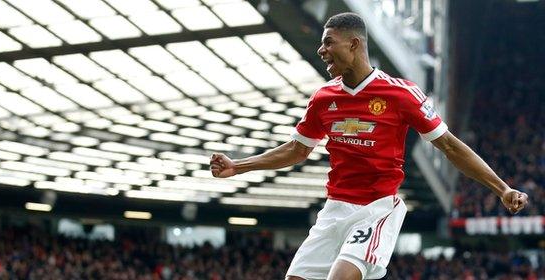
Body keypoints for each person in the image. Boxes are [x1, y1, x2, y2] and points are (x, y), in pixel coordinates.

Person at [209, 12, 529, 280]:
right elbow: (296, 149)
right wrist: (239, 165)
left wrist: (501, 189)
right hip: (334, 210)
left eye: (327, 42)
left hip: (376, 209)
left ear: (354, 44)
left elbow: (450, 146)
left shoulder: (401, 94)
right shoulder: (323, 99)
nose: (321, 50)